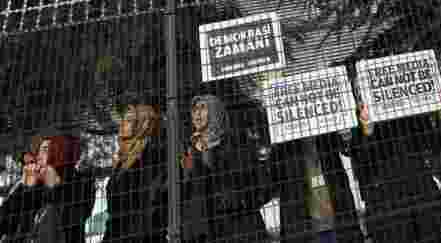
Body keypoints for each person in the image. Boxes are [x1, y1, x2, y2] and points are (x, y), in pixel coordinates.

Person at [345, 93, 441, 243]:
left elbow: (435, 143)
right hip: (386, 198)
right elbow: (358, 157)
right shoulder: (358, 116)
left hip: (420, 190)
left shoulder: (411, 106)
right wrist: (367, 132)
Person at [181, 94, 270, 243]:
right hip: (203, 231)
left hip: (239, 226)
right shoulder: (187, 148)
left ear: (215, 111)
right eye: (194, 109)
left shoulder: (236, 144)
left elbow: (256, 185)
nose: (197, 113)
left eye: (203, 108)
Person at [0, 134, 95, 243]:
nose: (38, 155)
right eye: (39, 150)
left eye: (45, 149)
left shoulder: (82, 181)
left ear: (60, 152)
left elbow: (74, 218)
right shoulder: (36, 184)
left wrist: (54, 188)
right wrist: (25, 187)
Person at [271, 134, 362, 243]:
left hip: (337, 213)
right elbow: (273, 173)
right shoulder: (282, 138)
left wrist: (345, 136)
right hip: (301, 218)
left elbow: (346, 149)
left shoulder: (325, 133)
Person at [102, 100, 168, 242]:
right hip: (114, 234)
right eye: (124, 120)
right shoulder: (121, 162)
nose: (122, 124)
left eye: (129, 120)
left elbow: (151, 203)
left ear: (142, 126)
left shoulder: (152, 159)